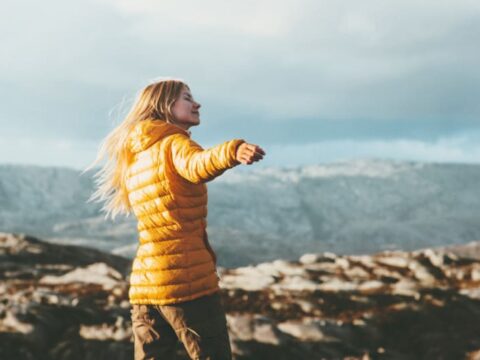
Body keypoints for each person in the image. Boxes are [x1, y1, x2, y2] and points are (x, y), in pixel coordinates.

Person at [84, 77, 266, 359]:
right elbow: (198, 165)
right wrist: (232, 150)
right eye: (187, 97)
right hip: (186, 280)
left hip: (145, 287)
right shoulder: (172, 144)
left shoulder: (137, 156)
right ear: (164, 105)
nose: (197, 104)